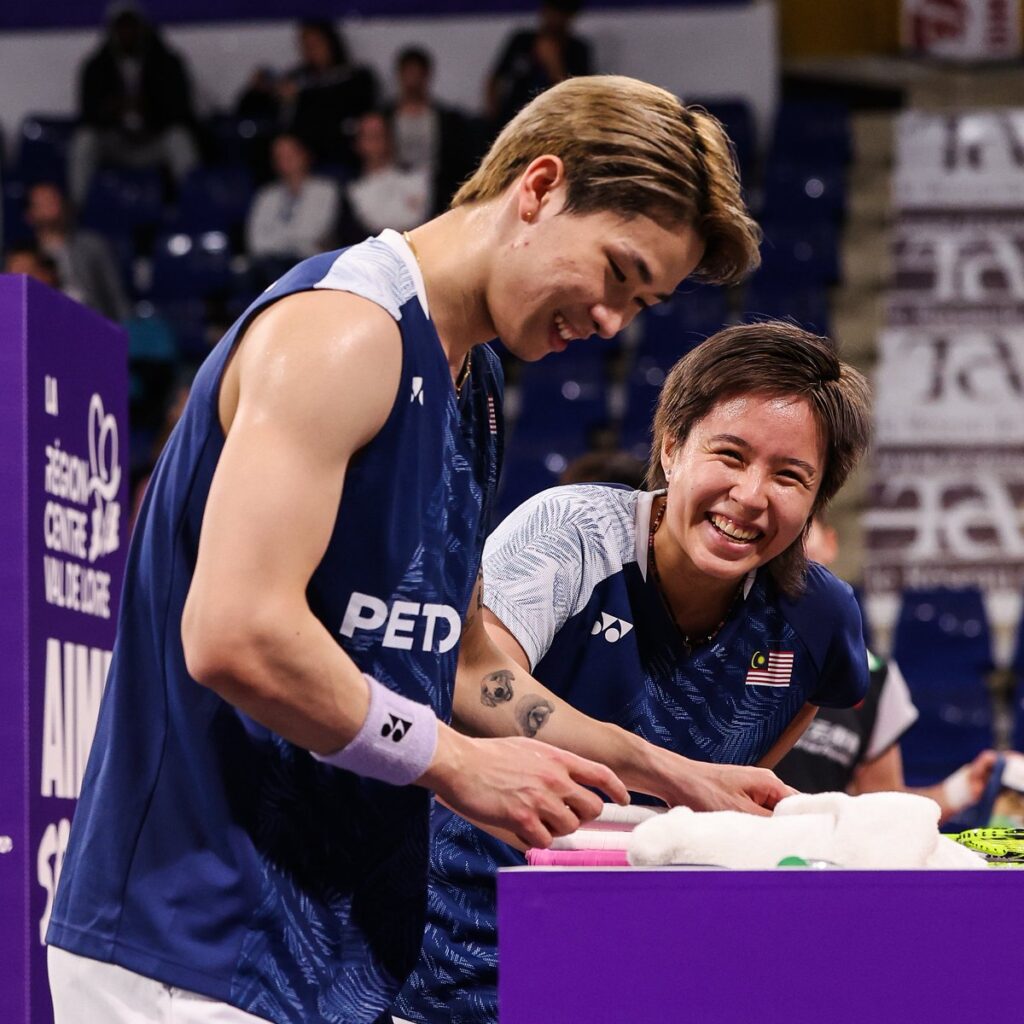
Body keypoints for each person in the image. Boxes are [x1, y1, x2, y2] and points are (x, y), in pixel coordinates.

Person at [46, 76, 776, 1024]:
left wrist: (669, 773)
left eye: (640, 305)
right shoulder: (343, 333)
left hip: (326, 956)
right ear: (539, 186)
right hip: (191, 946)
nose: (610, 323)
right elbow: (235, 634)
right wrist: (456, 767)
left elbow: (468, 665)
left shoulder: (470, 385)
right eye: (616, 273)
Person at [393, 322, 873, 1024]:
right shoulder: (572, 531)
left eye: (790, 476)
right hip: (457, 957)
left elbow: (743, 777)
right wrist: (674, 771)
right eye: (730, 455)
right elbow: (476, 683)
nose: (750, 495)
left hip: (652, 968)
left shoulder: (819, 618)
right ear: (672, 446)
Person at [775, 516, 998, 822]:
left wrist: (962, 788)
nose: (793, 544)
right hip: (724, 853)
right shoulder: (719, 645)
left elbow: (882, 805)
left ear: (830, 543)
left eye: (804, 529)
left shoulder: (876, 677)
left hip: (816, 860)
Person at [69, 2, 199, 206]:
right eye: (121, 26)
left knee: (179, 139)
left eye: (132, 26)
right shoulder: (96, 66)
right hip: (115, 141)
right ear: (111, 30)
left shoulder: (167, 62)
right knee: (84, 141)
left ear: (143, 27)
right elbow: (87, 115)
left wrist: (150, 108)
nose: (127, 32)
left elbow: (182, 111)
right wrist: (112, 109)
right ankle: (80, 210)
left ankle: (193, 206)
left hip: (154, 139)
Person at [238, 19, 378, 170]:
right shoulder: (296, 77)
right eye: (305, 45)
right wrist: (257, 90)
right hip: (299, 156)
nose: (310, 50)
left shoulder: (356, 76)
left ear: (331, 42)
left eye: (315, 43)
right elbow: (246, 109)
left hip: (341, 153)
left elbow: (344, 109)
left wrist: (302, 96)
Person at [385, 46, 484, 216]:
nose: (412, 81)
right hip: (394, 186)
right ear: (399, 76)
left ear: (427, 75)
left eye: (417, 74)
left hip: (438, 190)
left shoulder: (449, 120)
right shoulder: (385, 116)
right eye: (408, 74)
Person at [24, 180, 131, 321]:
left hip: (92, 323)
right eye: (43, 202)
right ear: (30, 214)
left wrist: (127, 331)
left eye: (54, 200)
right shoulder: (26, 257)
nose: (51, 206)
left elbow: (115, 295)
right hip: (46, 324)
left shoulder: (93, 245)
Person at [246, 133, 340, 286]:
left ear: (305, 154)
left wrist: (279, 239)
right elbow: (256, 242)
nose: (286, 160)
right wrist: (294, 242)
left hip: (311, 266)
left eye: (291, 153)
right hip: (272, 267)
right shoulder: (266, 196)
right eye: (279, 156)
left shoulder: (325, 190)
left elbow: (312, 233)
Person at [487, 1, 592, 127]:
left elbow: (578, 95)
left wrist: (553, 64)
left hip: (553, 120)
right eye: (552, 11)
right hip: (513, 116)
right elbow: (496, 78)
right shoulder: (522, 41)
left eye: (561, 14)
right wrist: (493, 114)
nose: (555, 19)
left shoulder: (577, 50)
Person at [341, 112, 431, 239]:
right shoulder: (353, 189)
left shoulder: (416, 177)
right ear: (358, 143)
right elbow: (372, 223)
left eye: (380, 135)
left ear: (390, 138)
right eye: (370, 136)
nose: (376, 142)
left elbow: (414, 219)